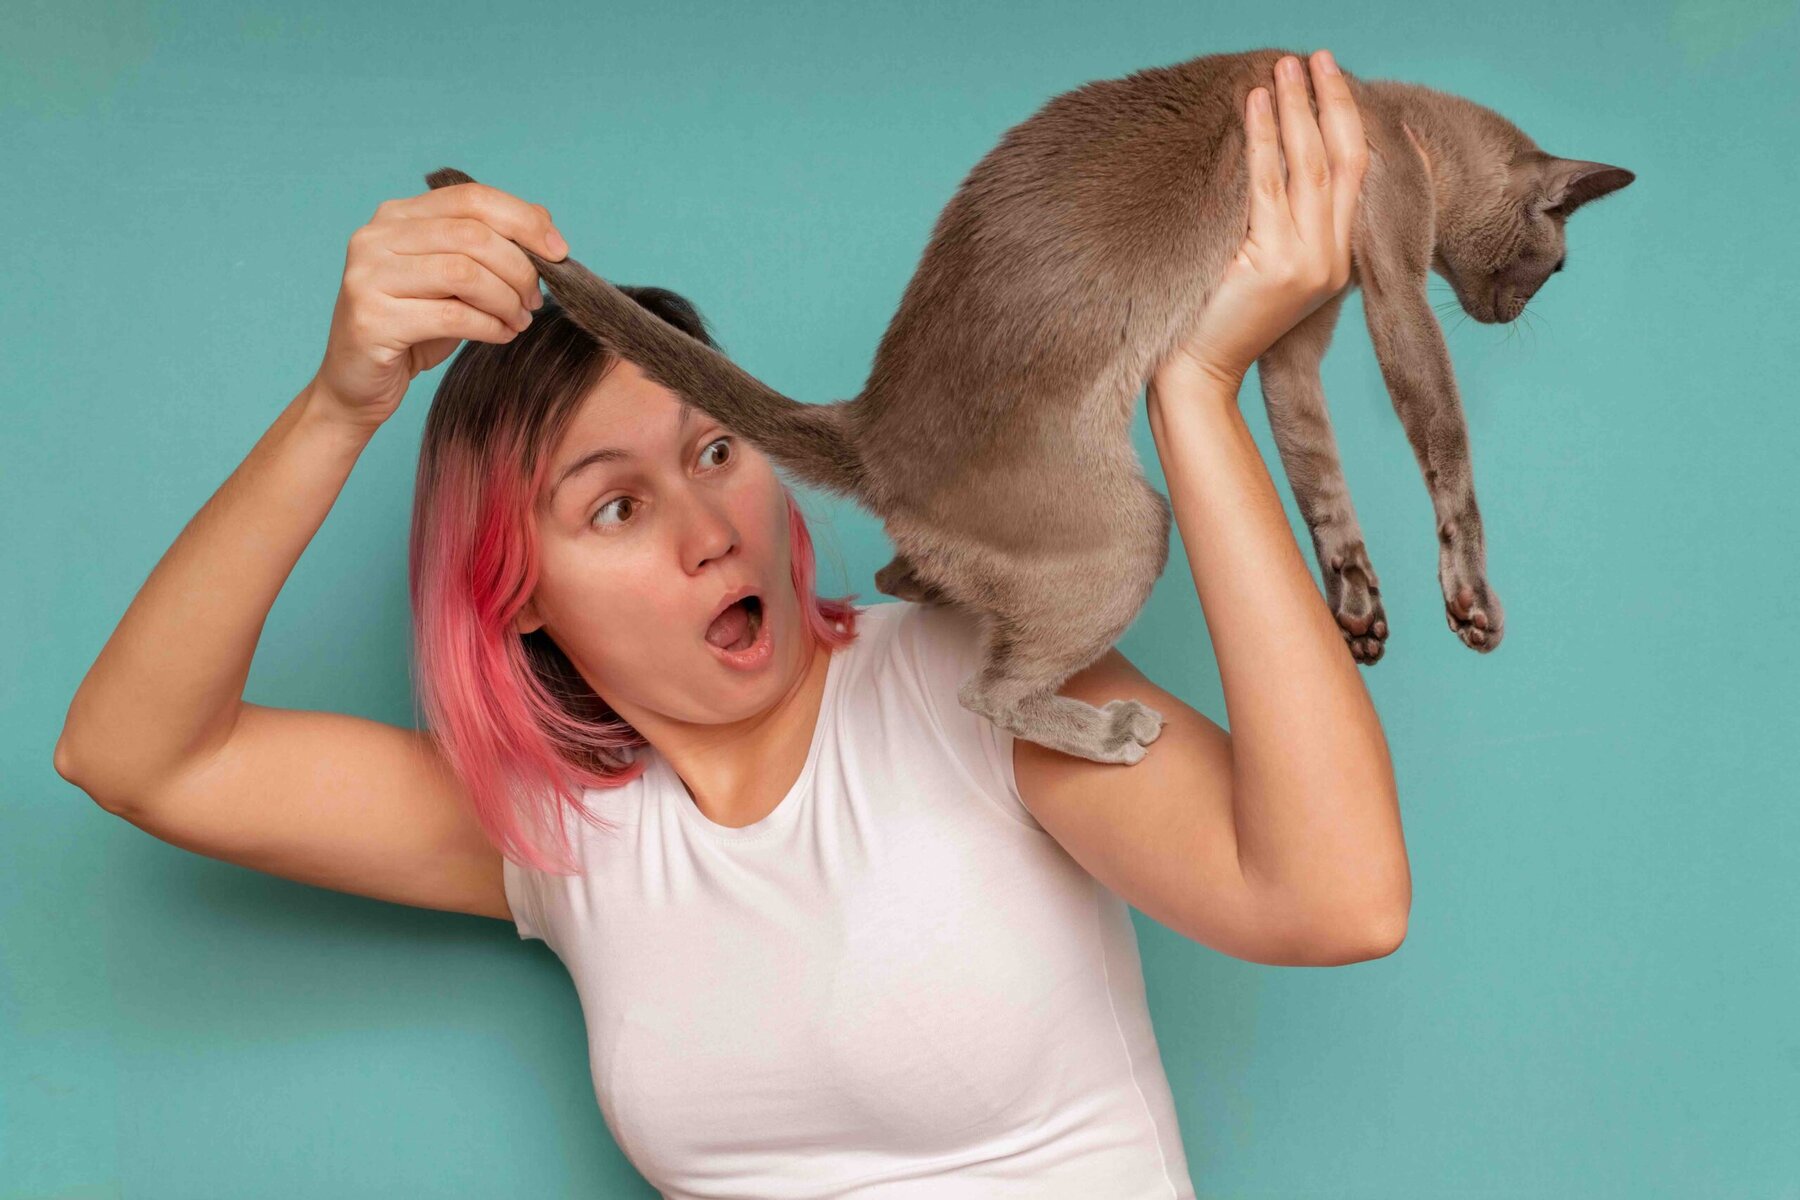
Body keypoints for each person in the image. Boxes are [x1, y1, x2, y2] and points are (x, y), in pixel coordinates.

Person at [55, 49, 1406, 1199]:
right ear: (513, 591)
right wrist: (340, 406)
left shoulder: (960, 683)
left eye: (714, 455)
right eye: (615, 509)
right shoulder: (563, 843)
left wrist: (1199, 387)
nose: (708, 530)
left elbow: (1334, 898)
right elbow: (140, 756)